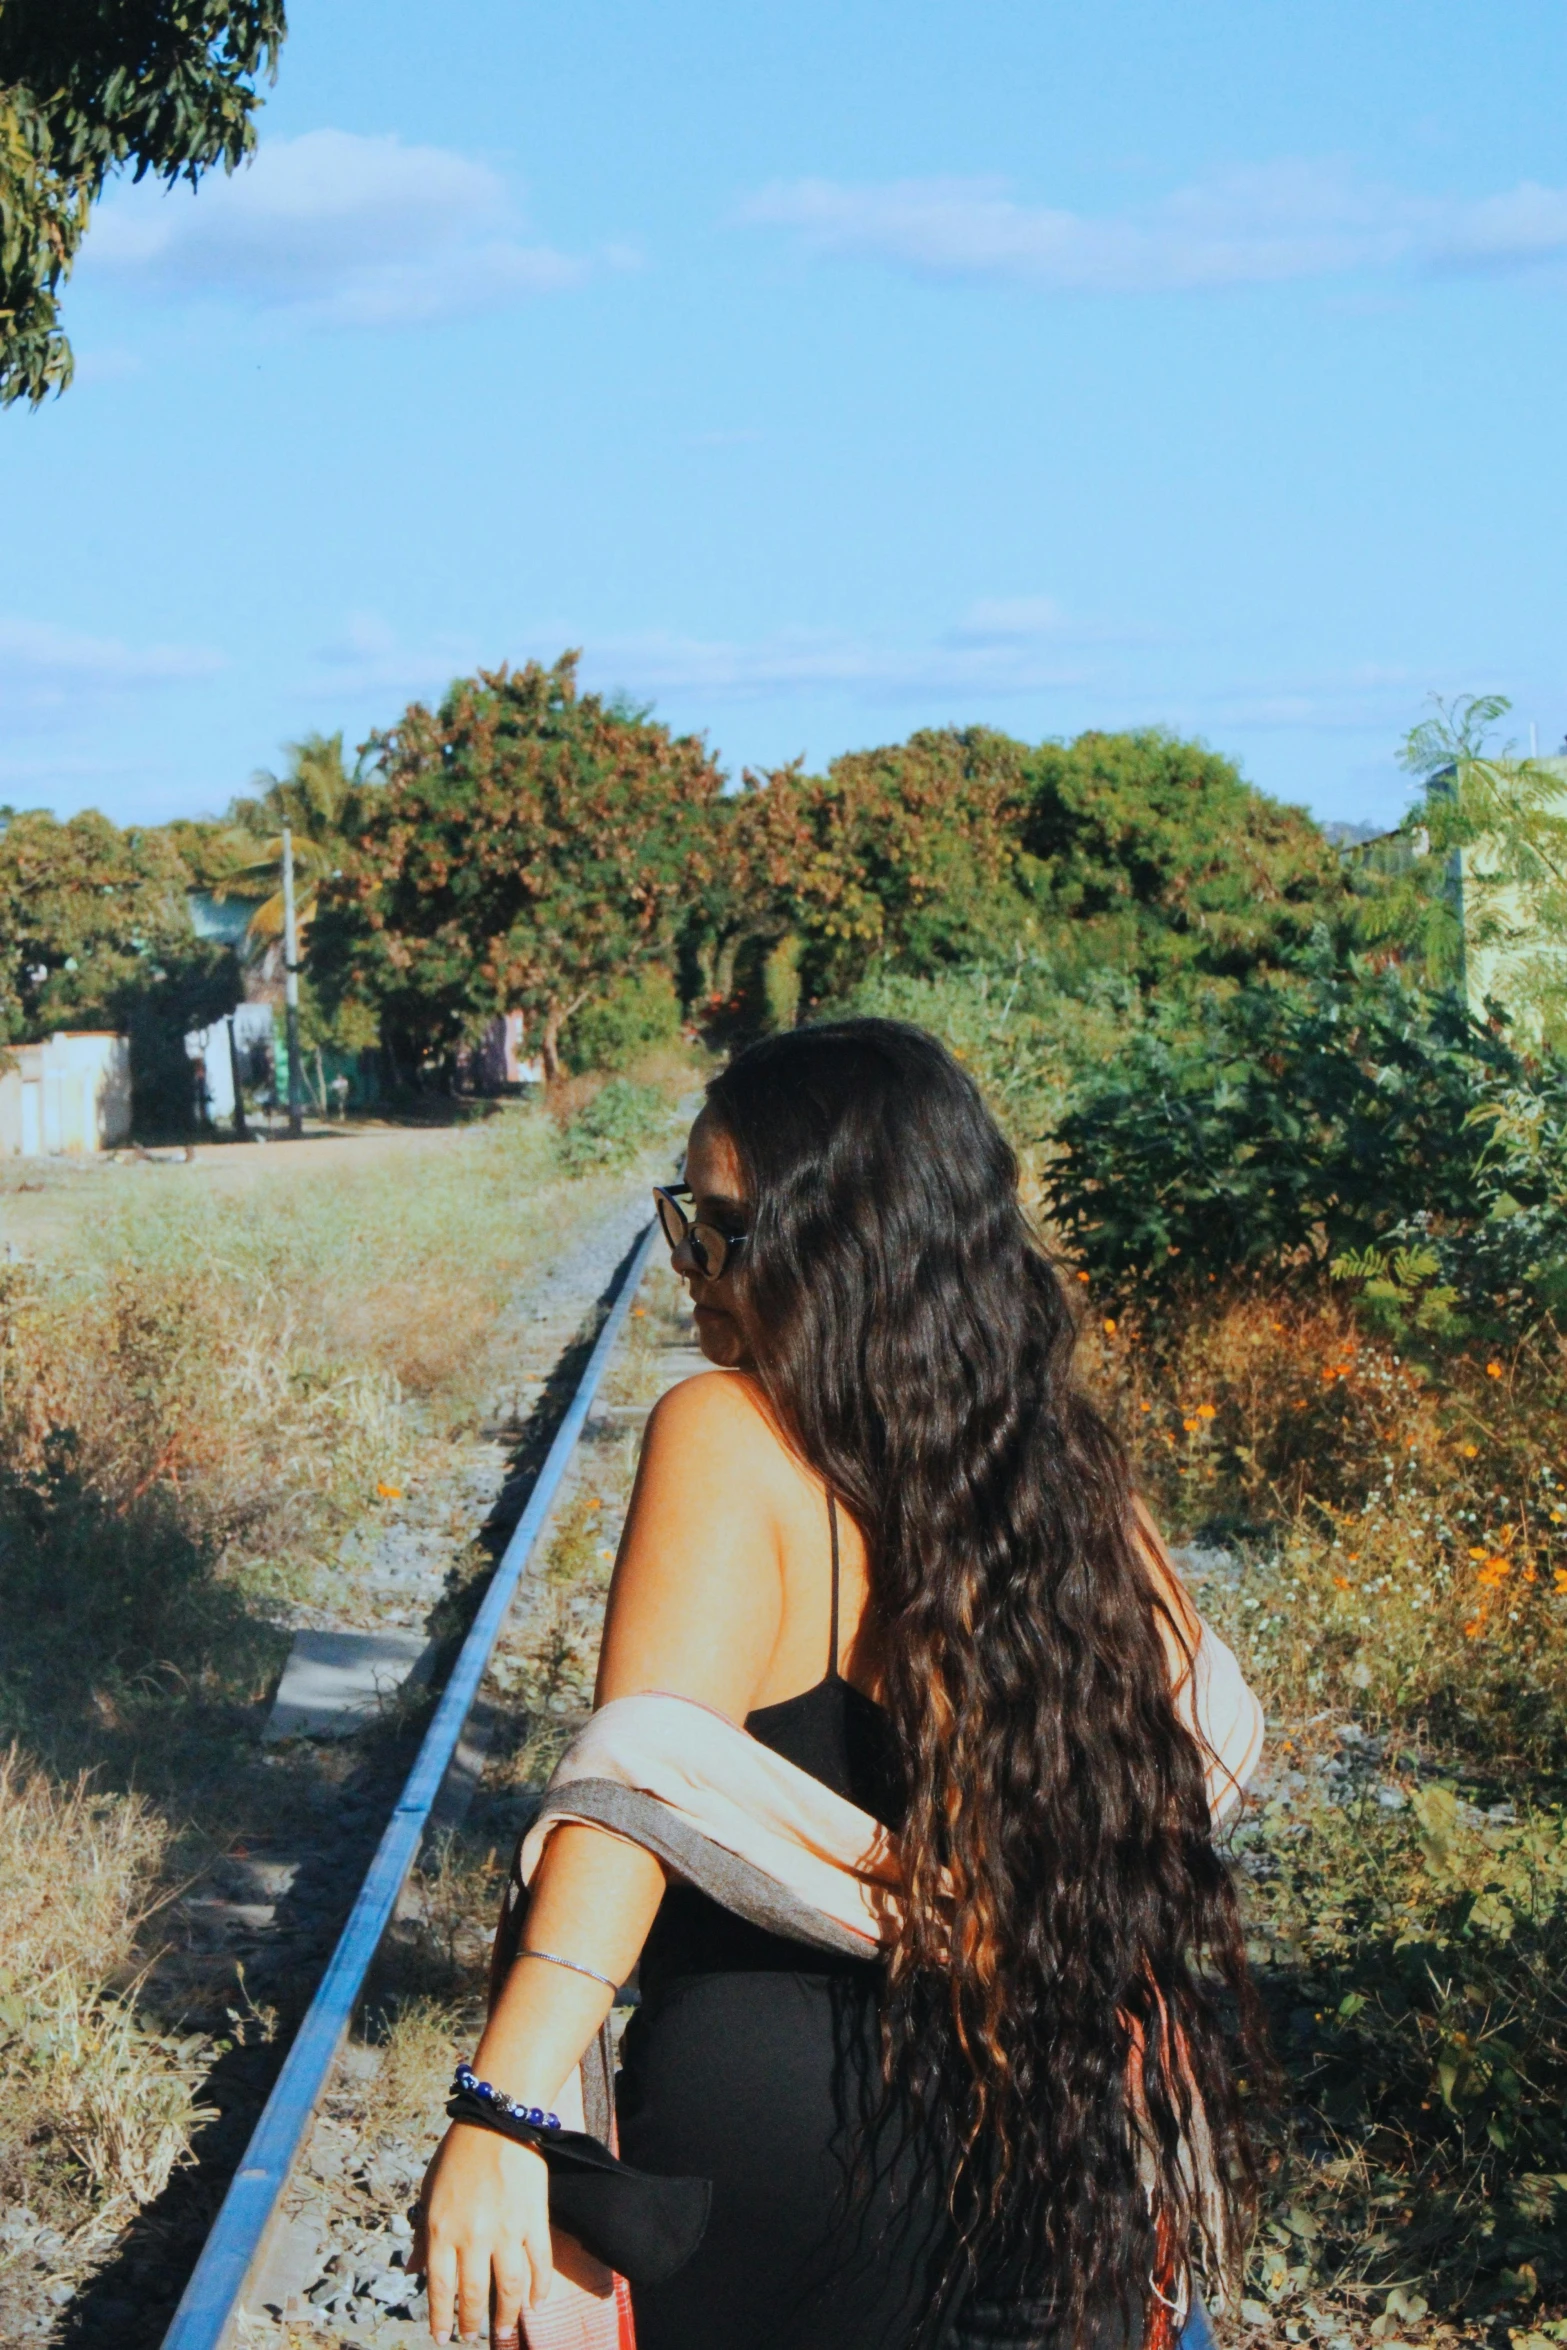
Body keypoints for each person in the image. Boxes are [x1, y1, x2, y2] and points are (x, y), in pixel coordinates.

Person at [420, 1020, 1263, 2350]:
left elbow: (638, 1781)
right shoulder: (1063, 1477)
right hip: (1052, 2149)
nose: (686, 1266)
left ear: (848, 1248)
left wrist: (505, 2104)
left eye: (722, 1232)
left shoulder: (728, 1435)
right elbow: (1197, 1750)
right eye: (681, 1220)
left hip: (791, 2164)